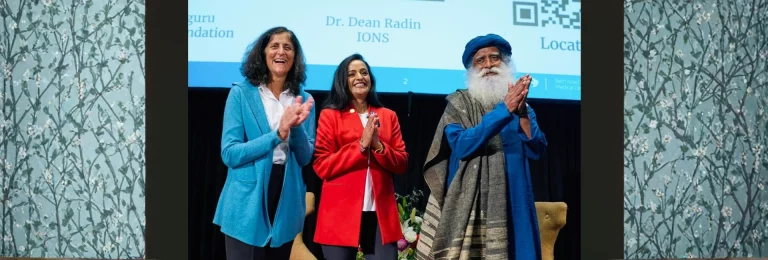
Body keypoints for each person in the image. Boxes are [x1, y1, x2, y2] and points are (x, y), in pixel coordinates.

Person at [415, 34, 548, 260]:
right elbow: (462, 145)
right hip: (472, 199)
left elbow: (537, 148)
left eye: (495, 58)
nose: (488, 65)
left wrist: (521, 112)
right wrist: (504, 111)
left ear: (505, 63)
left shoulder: (521, 105)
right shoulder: (459, 105)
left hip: (516, 198)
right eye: (480, 60)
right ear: (470, 69)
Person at [213, 26, 316, 260]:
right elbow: (230, 153)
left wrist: (296, 127)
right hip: (246, 200)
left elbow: (305, 157)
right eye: (275, 46)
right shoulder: (241, 94)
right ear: (263, 53)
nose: (281, 52)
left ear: (295, 57)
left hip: (287, 196)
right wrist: (277, 135)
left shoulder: (305, 99)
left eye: (288, 47)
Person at [313, 53, 409, 260]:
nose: (360, 77)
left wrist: (379, 146)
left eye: (364, 72)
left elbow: (401, 163)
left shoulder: (387, 115)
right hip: (339, 213)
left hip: (379, 214)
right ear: (343, 81)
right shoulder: (330, 115)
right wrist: (361, 145)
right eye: (352, 74)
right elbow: (322, 166)